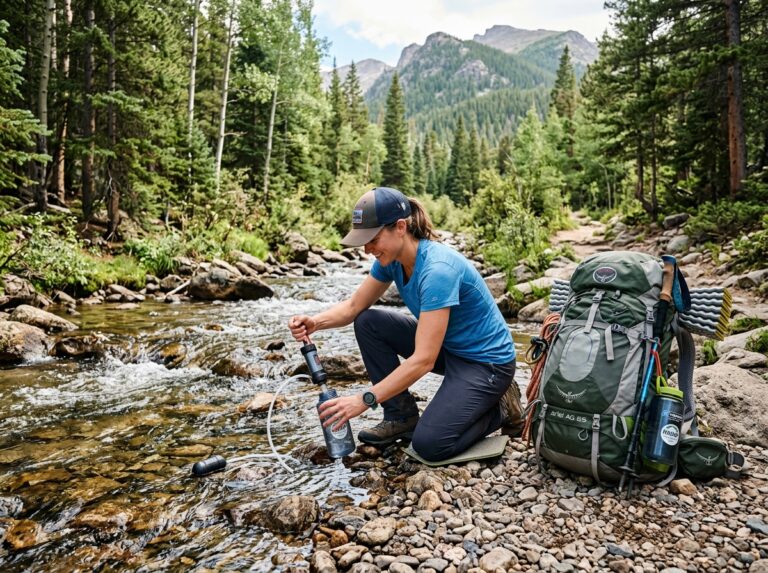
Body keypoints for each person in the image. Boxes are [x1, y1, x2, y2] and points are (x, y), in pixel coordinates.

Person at [288, 186, 522, 462]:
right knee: (368, 321)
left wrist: (364, 399)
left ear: (400, 227)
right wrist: (316, 322)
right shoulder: (393, 260)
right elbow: (353, 308)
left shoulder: (437, 271)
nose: (366, 250)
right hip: (450, 349)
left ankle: (503, 408)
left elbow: (423, 360)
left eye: (372, 239)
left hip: (486, 364)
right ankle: (401, 416)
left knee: (429, 445)